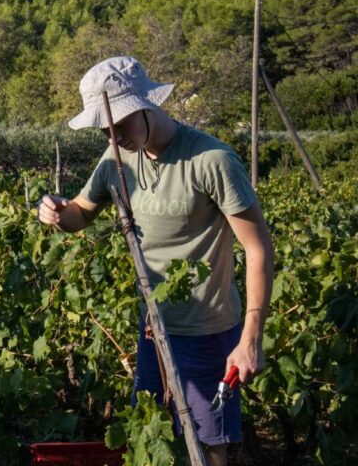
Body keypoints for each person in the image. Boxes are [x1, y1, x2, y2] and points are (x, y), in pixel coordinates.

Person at [36, 56, 273, 466]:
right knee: (148, 439)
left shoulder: (211, 159)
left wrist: (250, 339)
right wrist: (57, 212)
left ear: (145, 106)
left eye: (120, 125)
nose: (113, 137)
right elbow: (80, 212)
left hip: (207, 332)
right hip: (154, 329)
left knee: (210, 448)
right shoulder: (115, 160)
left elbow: (258, 248)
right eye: (104, 130)